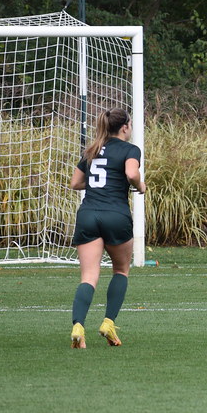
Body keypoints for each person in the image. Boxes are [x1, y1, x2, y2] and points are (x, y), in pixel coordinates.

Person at [68, 108, 145, 349]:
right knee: (121, 271)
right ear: (124, 127)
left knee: (88, 277)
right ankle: (108, 323)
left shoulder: (91, 150)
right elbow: (131, 173)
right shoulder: (130, 149)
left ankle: (78, 327)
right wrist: (139, 185)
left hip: (88, 214)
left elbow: (75, 183)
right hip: (116, 214)